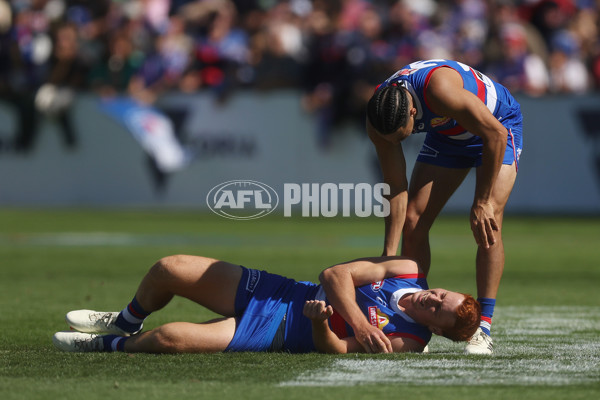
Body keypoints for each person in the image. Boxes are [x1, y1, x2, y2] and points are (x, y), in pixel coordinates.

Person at [366, 59, 523, 355]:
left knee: (488, 220)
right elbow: (395, 188)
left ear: (413, 112)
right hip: (449, 135)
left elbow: (495, 135)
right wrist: (387, 257)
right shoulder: (380, 117)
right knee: (413, 219)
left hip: (497, 126)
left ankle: (483, 328)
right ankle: (414, 318)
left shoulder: (439, 90)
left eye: (403, 136)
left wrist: (482, 201)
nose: (397, 143)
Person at [53, 254, 480, 354]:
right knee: (169, 268)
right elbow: (333, 275)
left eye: (435, 308)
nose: (432, 297)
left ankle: (104, 346)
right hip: (280, 292)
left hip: (279, 329)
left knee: (170, 339)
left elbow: (336, 349)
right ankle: (126, 320)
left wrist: (320, 323)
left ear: (436, 329)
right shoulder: (406, 269)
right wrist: (359, 321)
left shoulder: (409, 339)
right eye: (441, 293)